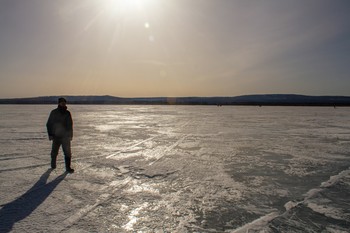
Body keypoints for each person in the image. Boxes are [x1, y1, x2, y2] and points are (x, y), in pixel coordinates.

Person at [46, 97, 74, 173]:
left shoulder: (67, 113)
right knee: (54, 152)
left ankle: (68, 168)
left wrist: (71, 135)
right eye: (62, 103)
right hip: (56, 136)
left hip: (66, 137)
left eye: (64, 103)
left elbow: (70, 124)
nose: (63, 104)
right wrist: (50, 134)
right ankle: (53, 165)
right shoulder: (54, 112)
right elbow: (49, 124)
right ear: (59, 103)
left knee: (67, 153)